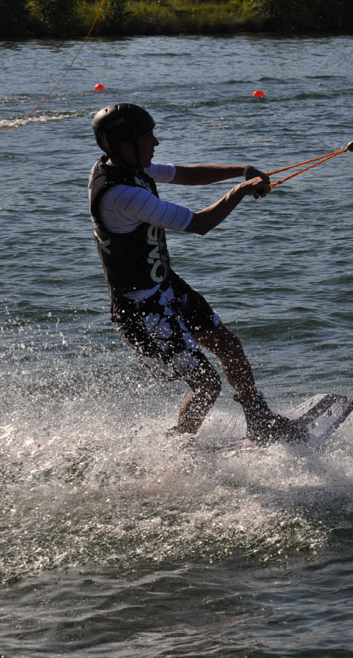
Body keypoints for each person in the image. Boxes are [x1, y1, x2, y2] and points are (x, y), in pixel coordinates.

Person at [87, 103, 305, 444]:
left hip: (164, 288)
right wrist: (242, 191)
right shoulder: (121, 193)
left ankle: (260, 420)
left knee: (228, 345)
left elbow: (185, 174)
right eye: (149, 137)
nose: (156, 142)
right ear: (126, 145)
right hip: (139, 309)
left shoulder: (127, 166)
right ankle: (178, 451)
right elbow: (199, 224)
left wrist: (242, 170)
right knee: (207, 384)